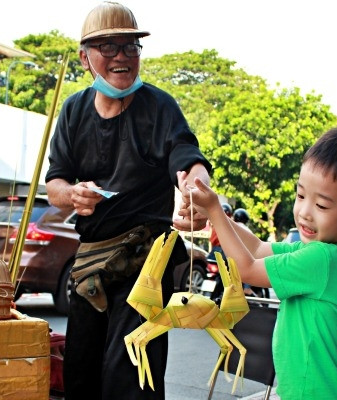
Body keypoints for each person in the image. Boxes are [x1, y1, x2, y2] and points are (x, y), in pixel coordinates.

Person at [44, 2, 212, 398]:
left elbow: (188, 159)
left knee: (132, 374)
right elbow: (55, 185)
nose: (122, 57)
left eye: (130, 47)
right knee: (80, 371)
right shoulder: (73, 111)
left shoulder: (160, 107)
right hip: (90, 261)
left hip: (147, 260)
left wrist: (195, 191)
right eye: (109, 47)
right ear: (86, 58)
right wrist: (72, 195)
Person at [181, 126, 337, 399]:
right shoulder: (315, 251)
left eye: (322, 206)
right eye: (301, 195)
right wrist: (214, 218)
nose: (304, 212)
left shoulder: (321, 258)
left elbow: (247, 269)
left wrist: (215, 209)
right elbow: (255, 247)